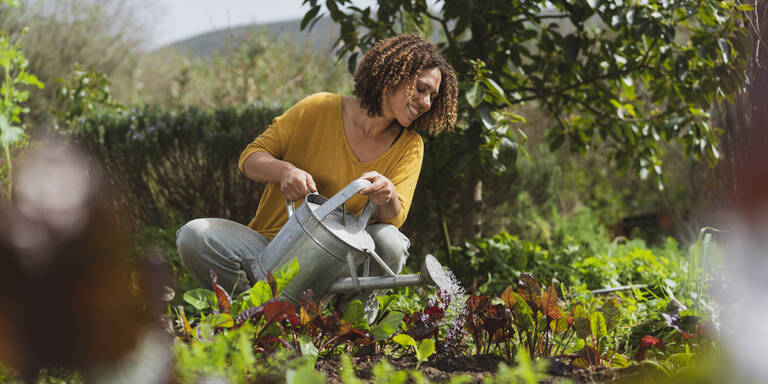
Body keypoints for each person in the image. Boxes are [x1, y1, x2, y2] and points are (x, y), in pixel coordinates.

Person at [176, 34, 458, 316]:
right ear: (393, 75)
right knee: (194, 236)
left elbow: (394, 217)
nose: (426, 102)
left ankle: (347, 326)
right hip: (272, 250)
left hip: (335, 270)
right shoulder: (319, 108)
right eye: (421, 89)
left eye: (433, 96)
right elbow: (250, 158)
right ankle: (258, 313)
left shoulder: (409, 145)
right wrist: (285, 171)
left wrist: (388, 194)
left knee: (390, 241)